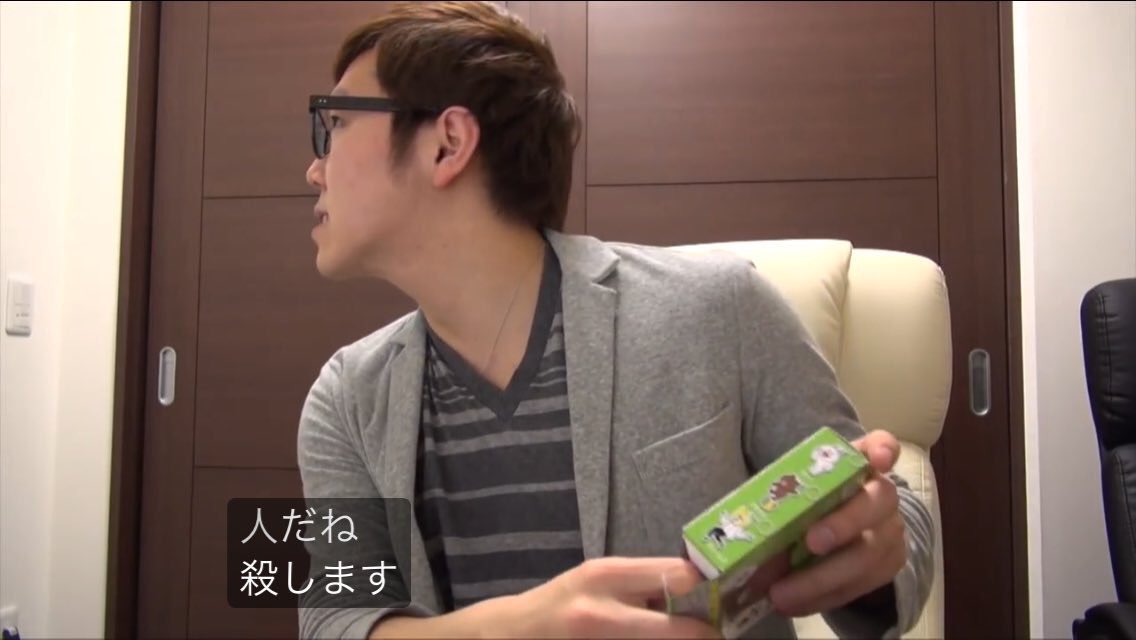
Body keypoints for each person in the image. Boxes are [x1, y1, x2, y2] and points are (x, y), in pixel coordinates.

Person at [295, 2, 934, 638]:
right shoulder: (346, 399)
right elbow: (334, 622)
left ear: (448, 143)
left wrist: (873, 546)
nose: (313, 168)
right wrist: (520, 629)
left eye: (338, 123)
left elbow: (889, 509)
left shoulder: (720, 306)